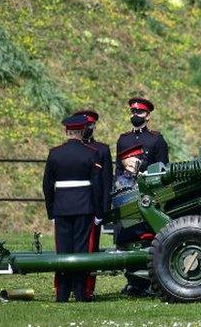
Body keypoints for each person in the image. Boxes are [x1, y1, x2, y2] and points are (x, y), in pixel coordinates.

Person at [42, 114, 104, 302]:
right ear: (82, 131)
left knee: (63, 250)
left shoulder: (55, 153)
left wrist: (51, 209)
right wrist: (98, 212)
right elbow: (97, 186)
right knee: (81, 250)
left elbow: (46, 185)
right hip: (84, 207)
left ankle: (62, 293)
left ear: (66, 131)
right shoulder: (91, 153)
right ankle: (80, 293)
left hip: (62, 207)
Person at [115, 97, 168, 296]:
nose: (135, 115)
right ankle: (133, 281)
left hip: (147, 194)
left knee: (149, 237)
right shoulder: (123, 140)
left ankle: (151, 282)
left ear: (148, 115)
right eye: (133, 112)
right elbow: (118, 170)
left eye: (139, 112)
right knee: (127, 236)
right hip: (127, 192)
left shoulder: (156, 139)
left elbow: (162, 169)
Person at [72, 109, 113, 300]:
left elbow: (106, 182)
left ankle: (87, 288)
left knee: (90, 248)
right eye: (85, 125)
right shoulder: (70, 149)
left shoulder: (101, 149)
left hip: (92, 207)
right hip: (73, 205)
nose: (88, 128)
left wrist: (103, 210)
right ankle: (69, 286)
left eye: (91, 124)